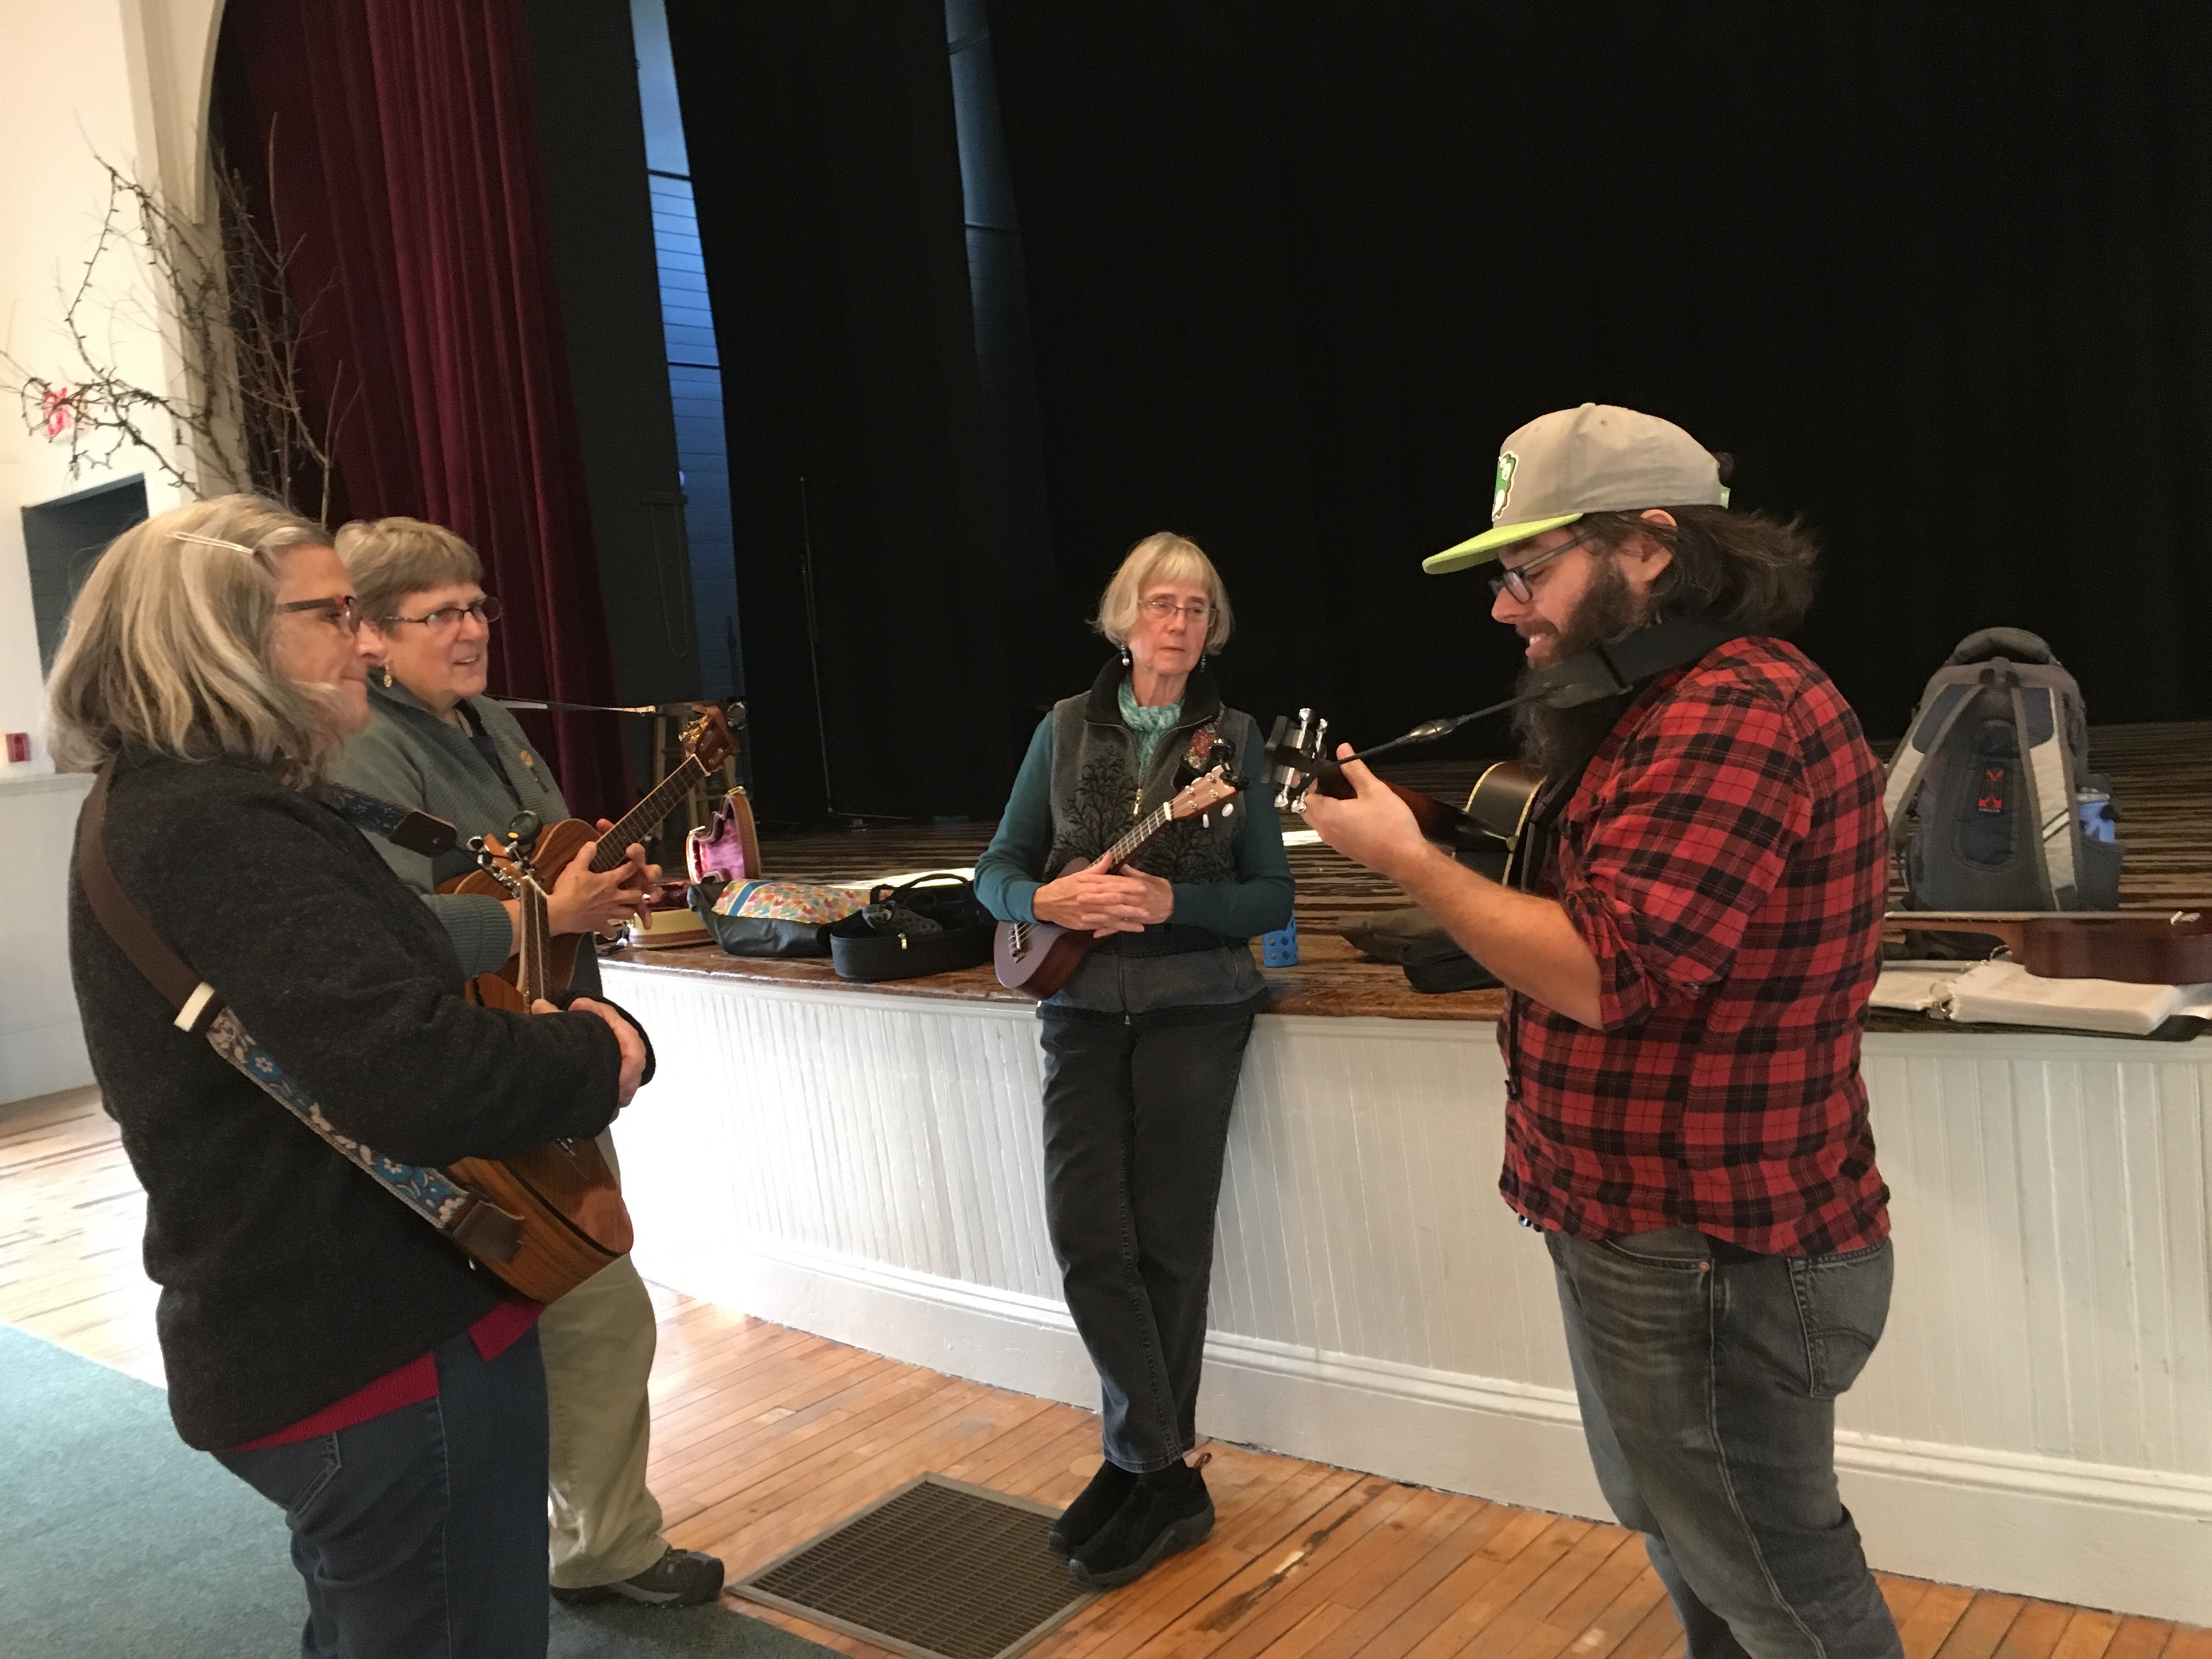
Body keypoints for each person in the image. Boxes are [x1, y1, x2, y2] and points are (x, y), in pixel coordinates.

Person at [1301, 404, 1901, 1659]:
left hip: (1710, 1249)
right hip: (1640, 1227)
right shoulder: (1658, 706)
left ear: (1648, 549)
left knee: (1779, 1581)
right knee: (1690, 1535)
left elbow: (1606, 972)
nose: (1505, 605)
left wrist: (1409, 863)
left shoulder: (1735, 710)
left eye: (1530, 570)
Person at [53, 495, 651, 1658]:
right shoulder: (218, 824)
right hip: (369, 1335)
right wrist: (597, 1051)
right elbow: (411, 1077)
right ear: (226, 640)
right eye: (332, 615)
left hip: (327, 1321)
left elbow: (370, 981)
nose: (365, 644)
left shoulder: (187, 804)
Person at [328, 515, 724, 1610]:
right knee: (581, 1308)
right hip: (463, 1071)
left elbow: (555, 854)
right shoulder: (360, 746)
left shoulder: (490, 724)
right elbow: (385, 926)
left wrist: (606, 885)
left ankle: (593, 1544)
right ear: (367, 634)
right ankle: (584, 1549)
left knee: (592, 1309)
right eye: (440, 614)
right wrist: (543, 911)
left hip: (545, 1052)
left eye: (477, 606)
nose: (471, 630)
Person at [975, 532, 1293, 1589]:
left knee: (1167, 1246)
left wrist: (1175, 902)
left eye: (1199, 609)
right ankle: (1160, 1466)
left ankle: (1141, 1466)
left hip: (1197, 1006)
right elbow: (997, 870)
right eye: (1162, 604)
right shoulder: (1064, 731)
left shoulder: (1235, 741)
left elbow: (1270, 899)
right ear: (1124, 619)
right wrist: (1042, 900)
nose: (1180, 624)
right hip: (1077, 1006)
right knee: (1084, 1236)